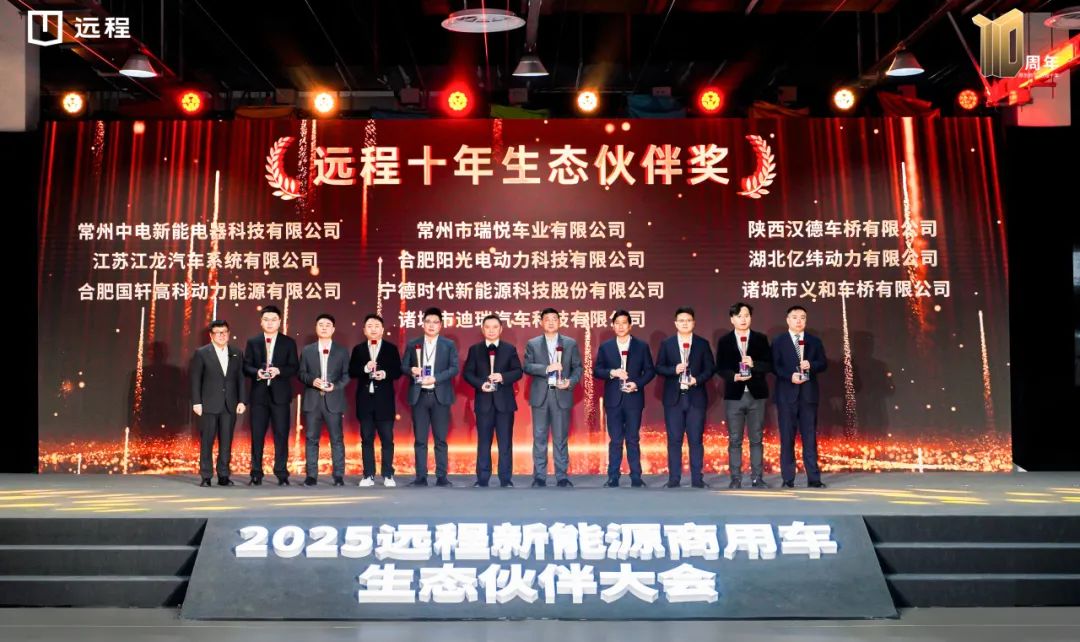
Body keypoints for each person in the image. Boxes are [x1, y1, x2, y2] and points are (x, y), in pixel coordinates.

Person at [593, 309, 655, 488]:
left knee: (633, 439)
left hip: (633, 398)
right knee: (615, 440)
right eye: (617, 323)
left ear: (630, 326)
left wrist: (637, 384)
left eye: (624, 323)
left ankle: (636, 476)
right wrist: (612, 372)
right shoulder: (606, 347)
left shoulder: (641, 346)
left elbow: (649, 371)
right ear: (613, 326)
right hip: (613, 400)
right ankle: (613, 477)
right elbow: (597, 371)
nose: (620, 326)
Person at [654, 306, 714, 488]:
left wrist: (697, 380)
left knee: (696, 440)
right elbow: (659, 367)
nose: (685, 323)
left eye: (688, 320)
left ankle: (697, 479)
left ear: (694, 323)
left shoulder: (702, 344)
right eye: (681, 321)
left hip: (696, 397)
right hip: (674, 398)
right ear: (675, 323)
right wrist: (674, 370)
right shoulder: (667, 344)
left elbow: (710, 369)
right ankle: (674, 479)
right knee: (674, 441)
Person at [523, 307, 583, 488]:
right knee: (539, 437)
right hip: (540, 396)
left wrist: (570, 382)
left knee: (560, 438)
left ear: (559, 322)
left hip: (561, 394)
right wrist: (546, 368)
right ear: (541, 322)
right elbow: (527, 366)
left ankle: (562, 476)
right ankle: (539, 477)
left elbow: (578, 368)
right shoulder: (533, 343)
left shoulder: (570, 343)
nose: (550, 322)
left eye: (554, 319)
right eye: (547, 319)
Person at [716, 302, 773, 489]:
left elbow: (769, 365)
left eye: (746, 315)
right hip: (734, 396)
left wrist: (754, 364)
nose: (743, 319)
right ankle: (736, 478)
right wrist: (734, 376)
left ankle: (757, 478)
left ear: (751, 318)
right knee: (735, 440)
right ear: (732, 319)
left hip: (757, 395)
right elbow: (720, 368)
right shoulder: (724, 341)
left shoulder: (760, 339)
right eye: (739, 316)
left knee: (756, 439)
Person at [462, 314, 523, 487]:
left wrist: (502, 377)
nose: (491, 330)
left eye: (495, 327)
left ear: (501, 329)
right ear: (482, 329)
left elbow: (518, 371)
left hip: (505, 404)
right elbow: (467, 373)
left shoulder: (509, 349)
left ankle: (506, 479)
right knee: (483, 443)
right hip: (484, 403)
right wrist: (481, 384)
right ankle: (482, 479)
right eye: (487, 327)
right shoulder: (475, 350)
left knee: (505, 443)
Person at [402, 307, 459, 487]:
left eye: (435, 322)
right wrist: (411, 370)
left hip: (439, 395)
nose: (431, 325)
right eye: (428, 322)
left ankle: (442, 476)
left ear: (440, 325)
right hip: (419, 396)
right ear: (423, 324)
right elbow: (403, 366)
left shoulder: (448, 345)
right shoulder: (413, 344)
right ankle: (421, 477)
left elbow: (454, 368)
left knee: (440, 439)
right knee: (420, 439)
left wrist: (436, 378)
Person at [772, 305, 828, 488]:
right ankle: (788, 479)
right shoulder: (779, 341)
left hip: (808, 396)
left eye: (802, 317)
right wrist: (790, 376)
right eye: (795, 317)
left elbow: (823, 363)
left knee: (810, 438)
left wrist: (811, 365)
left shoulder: (814, 341)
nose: (799, 321)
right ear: (788, 320)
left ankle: (814, 478)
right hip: (786, 396)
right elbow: (775, 366)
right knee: (787, 438)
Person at [242, 304, 298, 486]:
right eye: (266, 319)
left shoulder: (288, 342)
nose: (270, 323)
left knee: (281, 435)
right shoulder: (253, 342)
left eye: (273, 320)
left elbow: (294, 367)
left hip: (280, 396)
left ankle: (281, 473)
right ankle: (256, 473)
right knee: (257, 436)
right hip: (259, 396)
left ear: (279, 322)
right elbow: (246, 366)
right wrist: (257, 372)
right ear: (261, 322)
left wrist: (279, 371)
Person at [348, 313, 402, 487]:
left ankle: (388, 474)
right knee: (366, 440)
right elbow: (351, 371)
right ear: (364, 330)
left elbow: (398, 371)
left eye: (377, 326)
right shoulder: (358, 349)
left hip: (384, 402)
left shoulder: (391, 348)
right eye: (369, 326)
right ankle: (368, 475)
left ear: (382, 330)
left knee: (387, 440)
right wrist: (365, 368)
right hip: (365, 401)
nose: (373, 329)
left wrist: (384, 373)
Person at [190, 320, 247, 486]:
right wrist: (196, 402)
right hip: (208, 404)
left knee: (226, 441)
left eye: (224, 332)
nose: (221, 335)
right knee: (207, 441)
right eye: (217, 332)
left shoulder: (236, 353)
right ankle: (206, 476)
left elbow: (241, 378)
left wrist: (242, 400)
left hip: (230, 404)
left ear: (228, 333)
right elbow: (195, 379)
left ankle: (224, 475)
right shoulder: (202, 353)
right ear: (211, 335)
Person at [298, 314, 350, 486]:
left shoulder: (342, 351)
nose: (324, 327)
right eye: (321, 324)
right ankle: (311, 476)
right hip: (313, 401)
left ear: (333, 329)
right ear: (316, 328)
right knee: (311, 439)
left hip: (333, 401)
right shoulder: (307, 350)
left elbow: (346, 375)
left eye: (328, 325)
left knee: (337, 439)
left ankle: (338, 476)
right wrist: (312, 381)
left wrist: (335, 386)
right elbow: (301, 373)